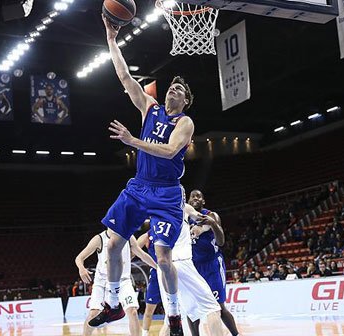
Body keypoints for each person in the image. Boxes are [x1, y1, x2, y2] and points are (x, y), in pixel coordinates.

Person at [89, 14, 196, 336]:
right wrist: (111, 38)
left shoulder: (185, 123)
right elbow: (124, 77)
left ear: (185, 100)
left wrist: (132, 141)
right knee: (111, 246)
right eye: (171, 86)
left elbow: (168, 151)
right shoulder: (149, 108)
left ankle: (174, 315)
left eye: (179, 89)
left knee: (163, 255)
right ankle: (112, 304)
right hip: (139, 188)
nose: (173, 90)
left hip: (166, 192)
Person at [75, 229, 157, 336]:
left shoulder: (129, 237)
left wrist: (158, 267)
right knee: (93, 314)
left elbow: (142, 255)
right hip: (103, 282)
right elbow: (79, 258)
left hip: (123, 281)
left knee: (132, 311)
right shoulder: (99, 239)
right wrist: (81, 268)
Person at [158, 203, 223, 336]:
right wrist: (211, 221)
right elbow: (205, 219)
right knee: (213, 307)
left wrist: (198, 228)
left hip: (163, 268)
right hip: (181, 263)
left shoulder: (156, 209)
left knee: (170, 318)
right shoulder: (184, 207)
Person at [187, 189, 240, 336]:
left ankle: (236, 334)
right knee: (192, 309)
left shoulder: (211, 215)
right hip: (193, 267)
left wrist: (212, 224)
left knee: (219, 307)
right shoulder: (185, 217)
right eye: (192, 197)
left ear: (203, 201)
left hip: (212, 265)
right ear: (189, 201)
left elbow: (221, 241)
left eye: (198, 196)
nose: (195, 198)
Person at [137, 230, 163, 336]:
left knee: (175, 309)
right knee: (149, 310)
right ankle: (145, 333)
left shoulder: (173, 227)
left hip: (173, 271)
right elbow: (133, 251)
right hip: (156, 273)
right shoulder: (147, 236)